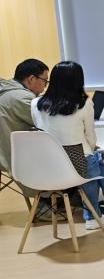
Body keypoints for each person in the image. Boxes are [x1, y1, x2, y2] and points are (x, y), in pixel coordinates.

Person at [31, 61, 104, 230]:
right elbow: (90, 138)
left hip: (48, 164)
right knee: (92, 158)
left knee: (92, 158)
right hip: (77, 164)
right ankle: (97, 212)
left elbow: (40, 130)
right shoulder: (84, 104)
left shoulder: (35, 103)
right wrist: (91, 149)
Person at [0, 58, 49, 196]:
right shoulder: (22, 98)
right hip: (17, 158)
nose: (45, 86)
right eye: (45, 81)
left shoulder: (7, 91)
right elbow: (49, 124)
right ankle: (50, 199)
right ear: (32, 79)